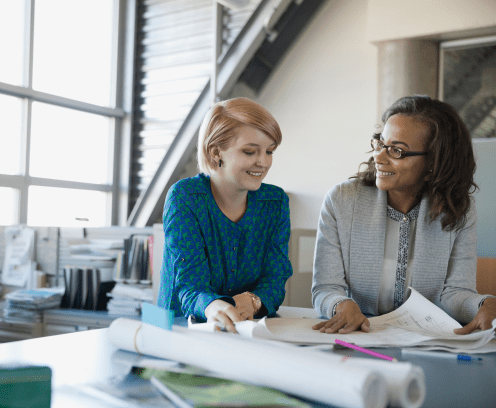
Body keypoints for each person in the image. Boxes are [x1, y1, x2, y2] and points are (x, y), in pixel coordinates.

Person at [312, 95, 496, 335]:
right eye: (381, 143)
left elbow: (455, 294)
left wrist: (485, 304)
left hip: (426, 340)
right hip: (359, 337)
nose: (378, 157)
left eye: (397, 150)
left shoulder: (459, 209)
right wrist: (341, 304)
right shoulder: (341, 201)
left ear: (434, 163)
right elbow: (325, 288)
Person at [157, 97, 292, 333]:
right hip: (172, 325)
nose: (263, 162)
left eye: (269, 151)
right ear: (216, 151)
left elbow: (276, 278)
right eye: (250, 151)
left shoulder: (276, 202)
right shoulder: (184, 197)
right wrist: (211, 306)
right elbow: (189, 286)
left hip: (242, 329)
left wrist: (254, 301)